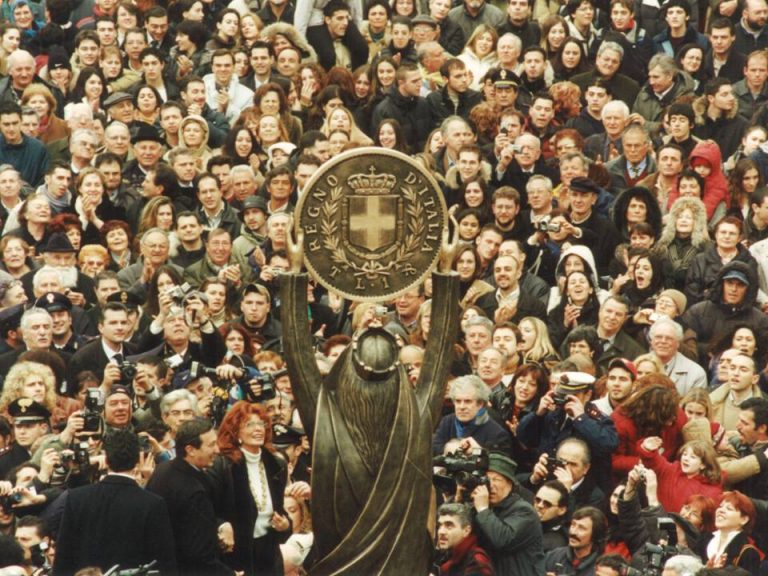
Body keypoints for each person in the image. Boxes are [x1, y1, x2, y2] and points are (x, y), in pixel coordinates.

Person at [53, 429, 177, 576]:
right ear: (138, 460)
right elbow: (164, 563)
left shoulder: (76, 498)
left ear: (105, 459)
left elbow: (63, 558)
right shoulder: (153, 504)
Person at [146, 417, 235, 575]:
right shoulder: (194, 492)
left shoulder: (162, 470)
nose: (218, 450)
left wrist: (220, 524)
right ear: (190, 450)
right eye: (211, 445)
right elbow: (199, 554)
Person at [217, 401, 290, 576]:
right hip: (237, 555)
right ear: (236, 432)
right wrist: (221, 526)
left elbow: (280, 509)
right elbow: (214, 511)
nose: (258, 429)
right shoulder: (225, 466)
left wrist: (285, 525)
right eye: (249, 424)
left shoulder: (276, 463)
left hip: (269, 554)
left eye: (261, 424)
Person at [470, 452, 545, 576]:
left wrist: (483, 509)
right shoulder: (484, 508)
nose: (490, 485)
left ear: (510, 484)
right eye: (487, 479)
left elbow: (503, 540)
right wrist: (459, 499)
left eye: (496, 479)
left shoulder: (525, 511)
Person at [435, 503, 495, 576]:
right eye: (439, 526)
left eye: (449, 526)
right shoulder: (447, 561)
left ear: (466, 531)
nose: (441, 532)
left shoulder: (477, 561)